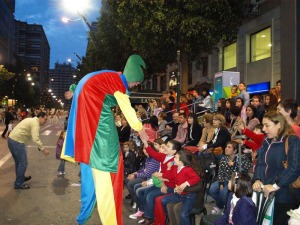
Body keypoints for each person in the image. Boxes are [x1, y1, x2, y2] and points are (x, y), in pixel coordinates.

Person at [62, 55, 149, 225]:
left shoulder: (109, 75)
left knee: (89, 177)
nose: (136, 85)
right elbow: (127, 108)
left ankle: (82, 218)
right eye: (137, 82)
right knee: (109, 173)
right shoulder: (118, 83)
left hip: (85, 132)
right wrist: (141, 131)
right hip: (97, 130)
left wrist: (74, 88)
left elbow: (88, 78)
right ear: (133, 79)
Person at [253, 111, 300, 225]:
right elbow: (260, 163)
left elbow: (294, 169)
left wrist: (275, 186)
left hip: (284, 196)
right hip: (265, 193)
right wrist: (257, 179)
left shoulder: (292, 141)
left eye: (267, 125)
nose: (264, 129)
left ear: (279, 124)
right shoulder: (266, 141)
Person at [7, 111, 50, 189]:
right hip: (17, 142)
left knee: (19, 163)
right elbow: (36, 139)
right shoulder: (35, 124)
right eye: (45, 119)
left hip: (12, 140)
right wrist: (43, 150)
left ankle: (20, 178)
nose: (45, 121)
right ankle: (18, 183)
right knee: (23, 163)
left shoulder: (31, 120)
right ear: (40, 118)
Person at [209, 141, 252, 215]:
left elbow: (247, 167)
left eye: (229, 147)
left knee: (223, 193)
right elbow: (220, 172)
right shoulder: (224, 158)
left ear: (235, 150)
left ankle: (219, 206)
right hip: (225, 179)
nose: (226, 149)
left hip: (235, 181)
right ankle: (224, 203)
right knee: (212, 190)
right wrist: (221, 183)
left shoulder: (241, 157)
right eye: (226, 147)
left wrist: (235, 163)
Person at [160, 150, 201, 225]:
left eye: (175, 158)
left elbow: (196, 178)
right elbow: (168, 176)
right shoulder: (176, 168)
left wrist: (186, 183)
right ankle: (169, 219)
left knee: (183, 214)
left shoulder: (187, 169)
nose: (173, 159)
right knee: (164, 200)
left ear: (181, 162)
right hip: (180, 194)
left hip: (189, 196)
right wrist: (169, 168)